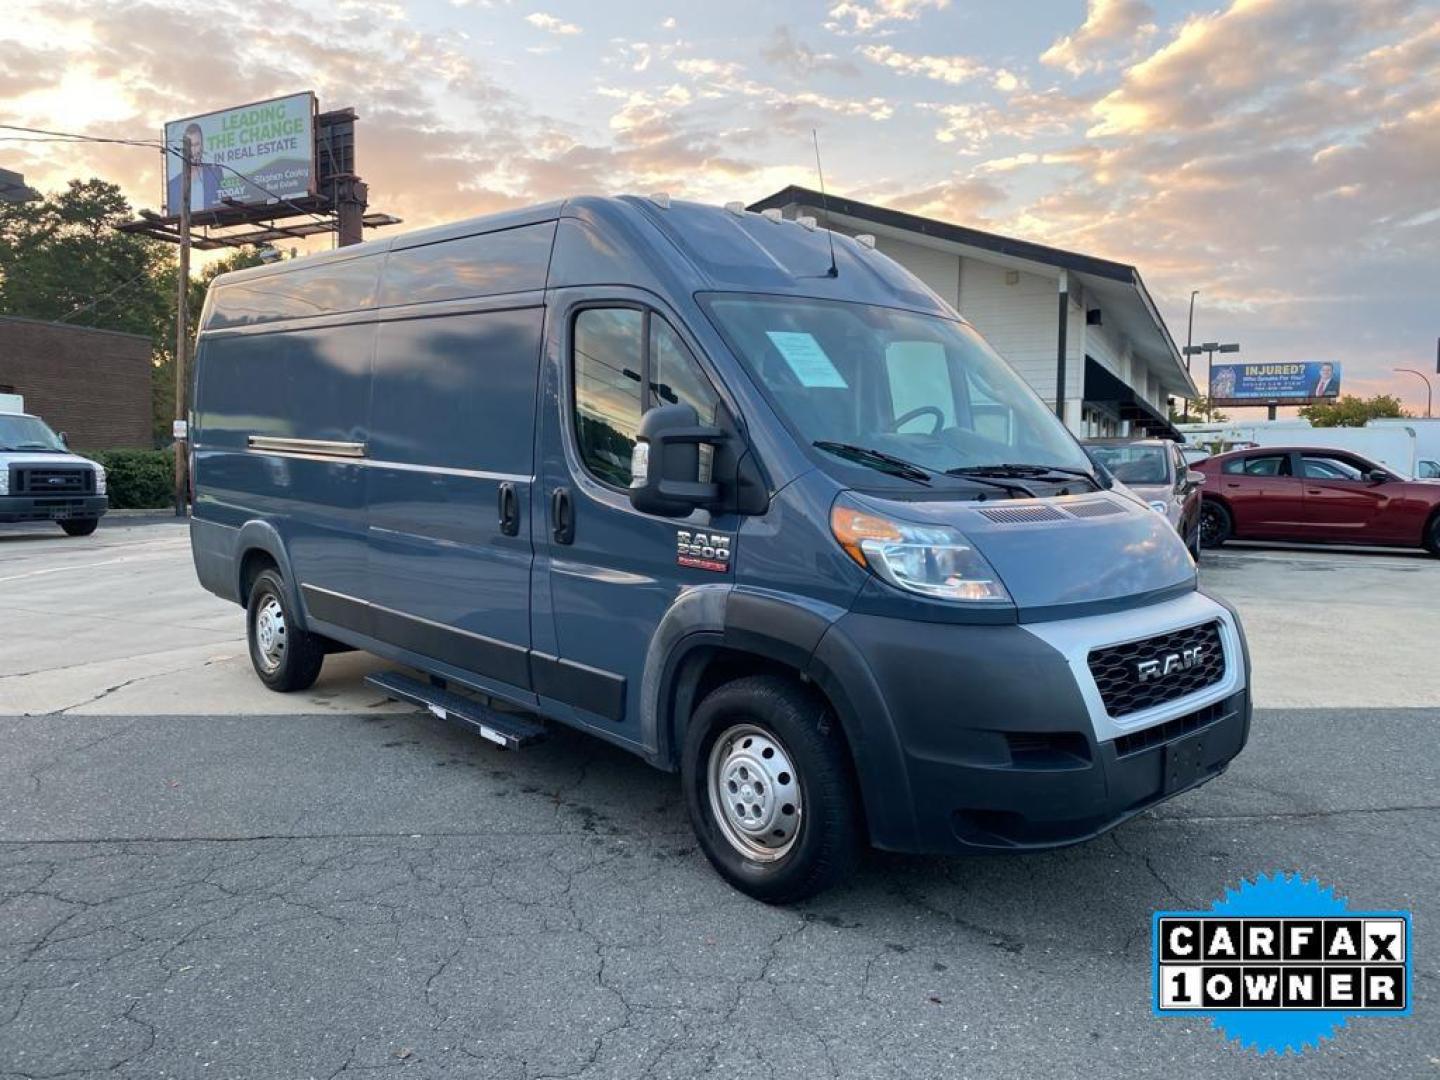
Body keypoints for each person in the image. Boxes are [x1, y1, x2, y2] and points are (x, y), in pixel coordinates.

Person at [166, 123, 225, 214]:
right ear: (183, 149)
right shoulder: (173, 185)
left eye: (197, 144)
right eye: (190, 146)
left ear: (202, 145)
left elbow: (221, 204)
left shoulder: (215, 173)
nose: (194, 150)